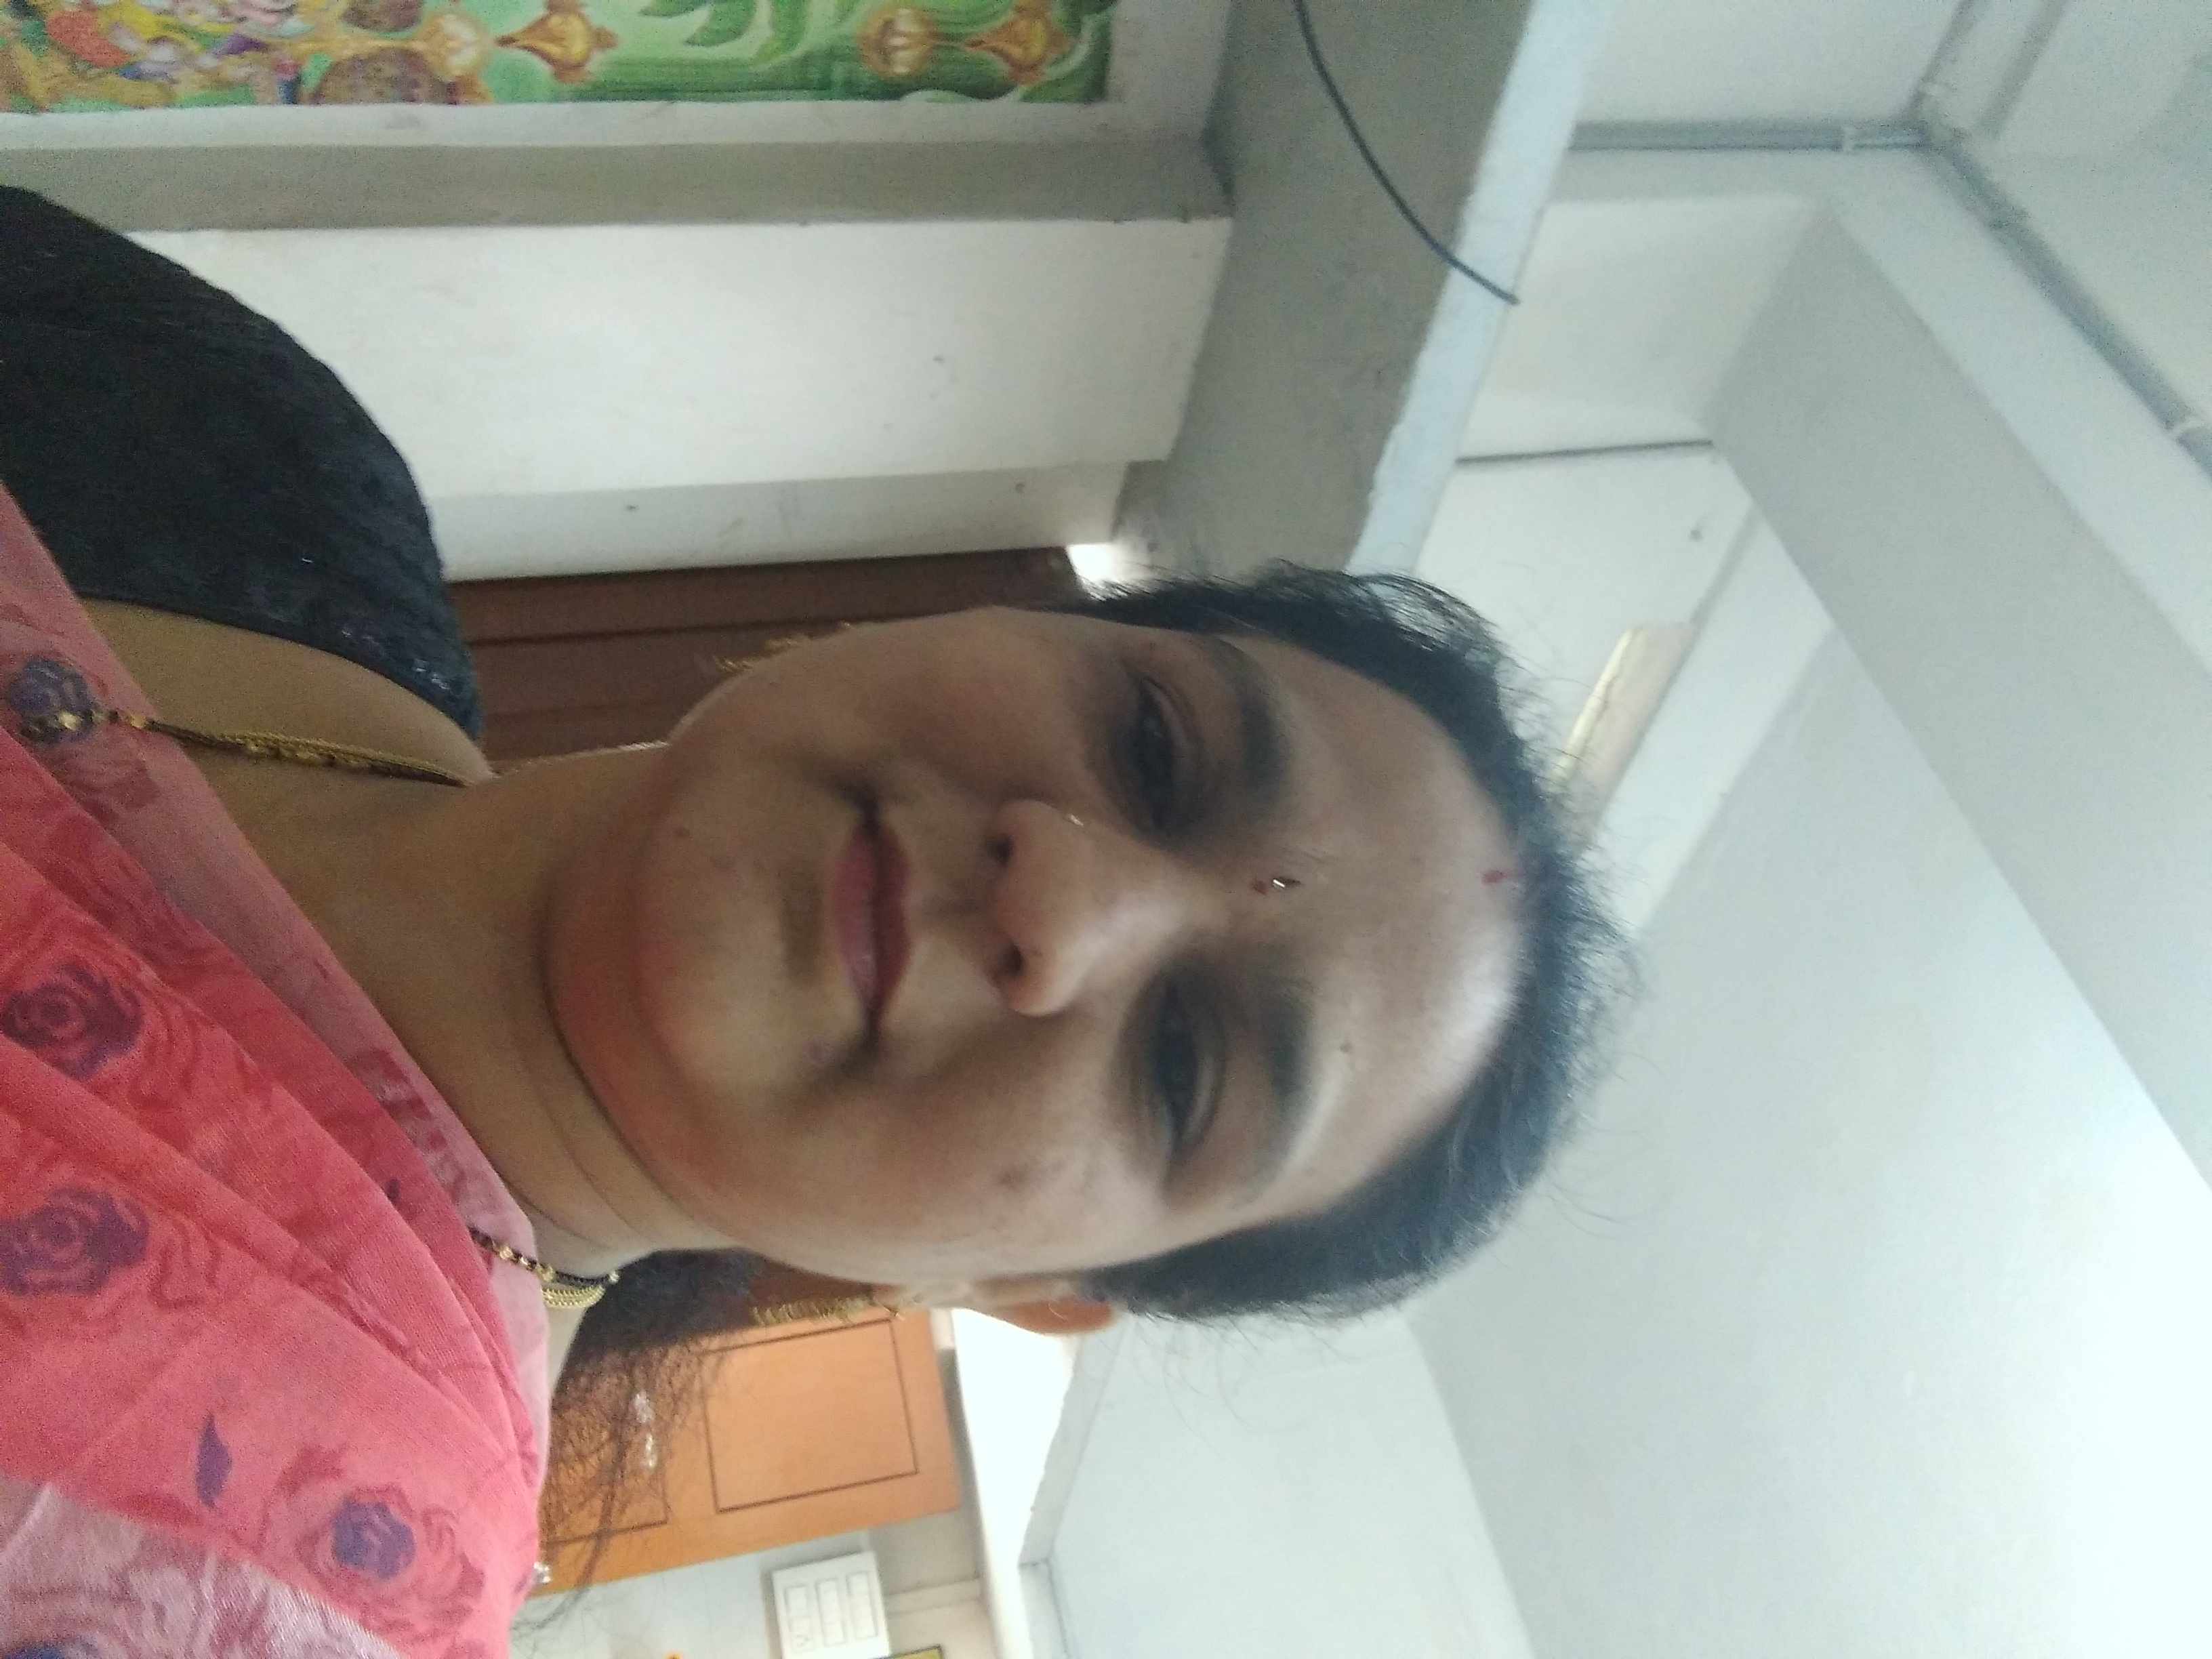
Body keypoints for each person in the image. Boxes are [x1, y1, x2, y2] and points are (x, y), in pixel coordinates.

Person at [0, 188, 1620, 1655]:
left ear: (1033, 1284)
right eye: (1152, 742)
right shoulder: (230, 452)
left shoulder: (292, 1592)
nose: (1064, 896)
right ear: (1019, 616)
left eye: (1186, 1068)